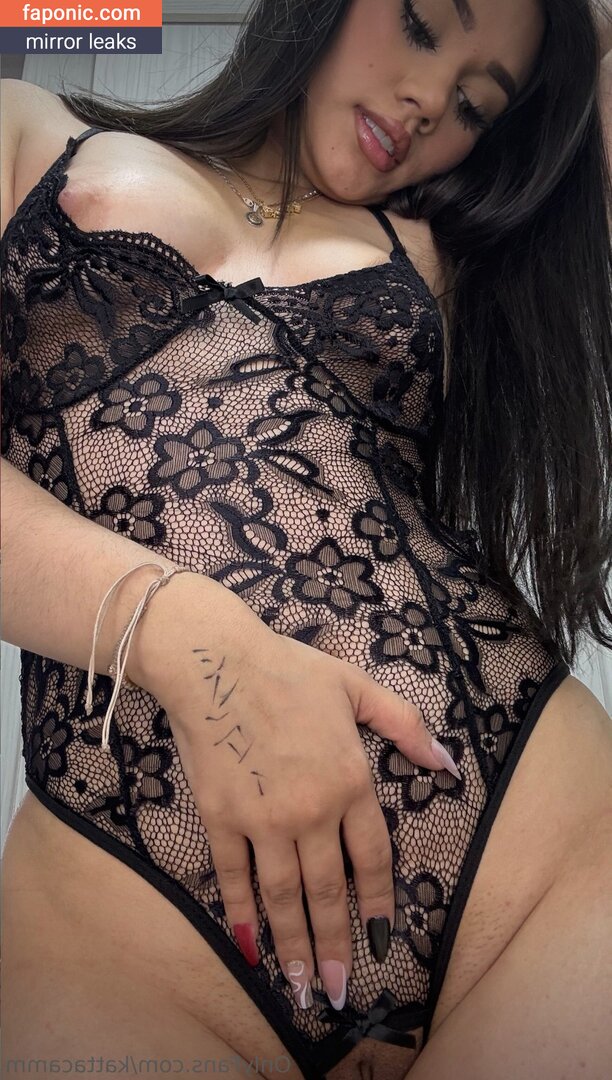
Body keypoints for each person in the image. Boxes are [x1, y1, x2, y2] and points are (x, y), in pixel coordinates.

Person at [2, 1, 611, 1077]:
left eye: (476, 105)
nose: (430, 102)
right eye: (422, 24)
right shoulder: (24, 132)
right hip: (137, 938)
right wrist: (192, 640)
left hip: (530, 874)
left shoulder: (462, 256)